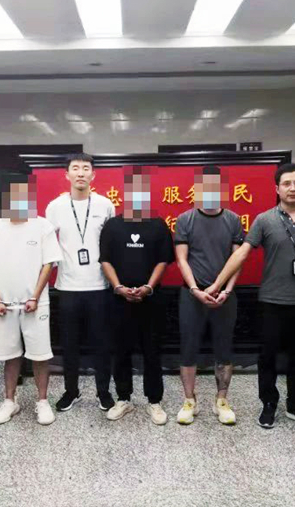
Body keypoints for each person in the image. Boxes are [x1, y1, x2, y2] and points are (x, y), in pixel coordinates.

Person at [207, 162, 295, 430]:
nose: (292, 188)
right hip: (271, 301)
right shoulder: (264, 220)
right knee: (268, 355)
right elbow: (242, 253)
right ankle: (269, 404)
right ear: (277, 189)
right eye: (286, 184)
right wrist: (218, 283)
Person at [0, 174, 62, 425]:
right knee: (10, 355)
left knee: (40, 354)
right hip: (4, 305)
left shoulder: (42, 226)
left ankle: (42, 401)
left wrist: (35, 296)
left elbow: (48, 264)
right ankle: (10, 401)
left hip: (36, 303)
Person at [99, 167, 174, 425]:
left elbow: (163, 260)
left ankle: (154, 401)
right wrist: (118, 287)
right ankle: (124, 399)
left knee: (152, 350)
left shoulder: (158, 225)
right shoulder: (113, 226)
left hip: (151, 299)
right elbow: (105, 260)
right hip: (118, 299)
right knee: (120, 350)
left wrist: (149, 287)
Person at [45, 153, 116, 412]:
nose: (81, 173)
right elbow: (47, 245)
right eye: (75, 168)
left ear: (93, 175)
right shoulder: (55, 207)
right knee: (69, 344)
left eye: (86, 168)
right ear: (67, 175)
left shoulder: (105, 205)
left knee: (102, 344)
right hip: (67, 287)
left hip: (99, 286)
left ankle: (103, 392)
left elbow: (111, 244)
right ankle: (71, 391)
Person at [174, 166, 243, 426]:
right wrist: (195, 289)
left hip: (225, 296)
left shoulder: (233, 220)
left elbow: (237, 260)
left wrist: (226, 290)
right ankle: (189, 400)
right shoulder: (185, 219)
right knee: (188, 348)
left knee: (224, 349)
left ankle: (221, 401)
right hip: (192, 294)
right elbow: (181, 259)